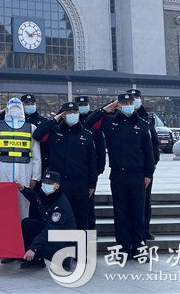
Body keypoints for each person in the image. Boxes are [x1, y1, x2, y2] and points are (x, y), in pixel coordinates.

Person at [85, 93, 154, 260]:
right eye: (124, 103)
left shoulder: (142, 124)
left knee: (138, 213)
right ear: (118, 105)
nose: (128, 105)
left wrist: (148, 173)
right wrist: (107, 108)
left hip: (138, 175)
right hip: (118, 175)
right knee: (120, 213)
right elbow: (88, 123)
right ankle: (123, 248)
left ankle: (139, 248)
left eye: (130, 102)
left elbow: (148, 151)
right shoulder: (110, 122)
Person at [32, 102, 97, 230]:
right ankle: (60, 243)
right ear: (63, 114)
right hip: (59, 184)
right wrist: (54, 119)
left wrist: (92, 184)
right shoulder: (54, 131)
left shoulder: (86, 134)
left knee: (81, 218)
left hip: (80, 184)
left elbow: (92, 162)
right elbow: (37, 135)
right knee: (58, 218)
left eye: (75, 112)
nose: (72, 115)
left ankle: (82, 243)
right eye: (68, 112)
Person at [0, 98, 42, 221]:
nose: (15, 107)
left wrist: (35, 177)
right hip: (2, 169)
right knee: (2, 203)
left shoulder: (31, 128)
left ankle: (22, 230)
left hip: (24, 170)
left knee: (23, 205)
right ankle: (2, 229)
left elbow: (37, 156)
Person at [18, 170, 77, 270]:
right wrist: (23, 189)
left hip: (62, 238)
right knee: (27, 223)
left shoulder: (60, 205)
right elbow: (36, 198)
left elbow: (51, 229)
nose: (45, 185)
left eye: (49, 183)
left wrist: (33, 248)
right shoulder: (47, 195)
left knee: (42, 244)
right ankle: (36, 260)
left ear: (57, 186)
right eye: (44, 182)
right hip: (51, 231)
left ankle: (64, 260)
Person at [126, 89, 161, 240]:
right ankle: (129, 231)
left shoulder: (147, 117)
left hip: (145, 168)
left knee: (145, 202)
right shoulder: (121, 117)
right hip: (127, 167)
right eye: (131, 98)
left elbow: (154, 143)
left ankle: (144, 230)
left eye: (137, 98)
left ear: (141, 100)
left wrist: (152, 165)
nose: (135, 101)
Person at [75, 95, 106, 229]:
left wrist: (99, 169)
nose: (83, 107)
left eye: (85, 105)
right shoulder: (72, 121)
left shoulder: (94, 122)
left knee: (89, 201)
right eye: (80, 105)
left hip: (90, 170)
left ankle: (90, 228)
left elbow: (100, 148)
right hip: (74, 168)